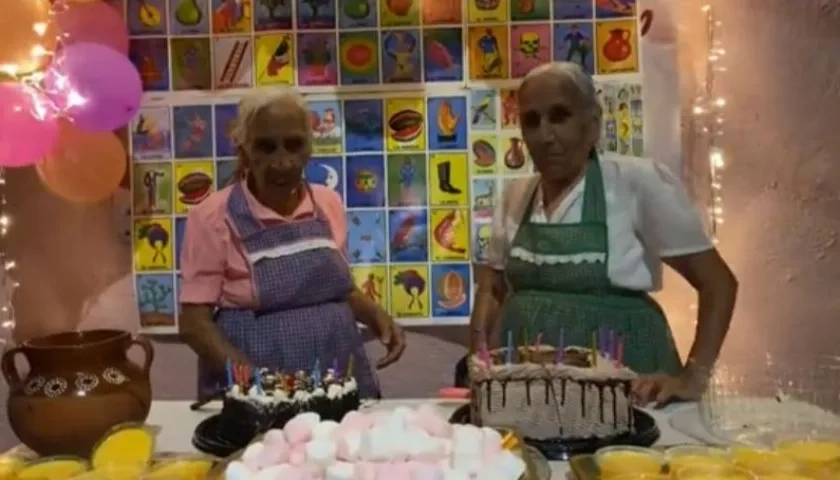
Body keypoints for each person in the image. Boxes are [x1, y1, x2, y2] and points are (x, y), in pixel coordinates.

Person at [470, 62, 738, 407]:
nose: (545, 135)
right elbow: (492, 287)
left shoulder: (636, 182)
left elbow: (718, 283)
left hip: (625, 384)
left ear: (592, 124)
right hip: (528, 389)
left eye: (560, 116)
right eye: (531, 121)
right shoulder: (517, 195)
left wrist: (693, 378)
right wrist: (477, 361)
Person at [178, 89, 406, 399]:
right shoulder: (213, 217)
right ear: (244, 150)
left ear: (310, 148)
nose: (283, 161)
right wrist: (255, 384)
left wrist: (378, 317)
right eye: (266, 147)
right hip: (254, 380)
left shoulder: (328, 204)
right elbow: (194, 324)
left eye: (294, 145)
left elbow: (336, 290)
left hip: (335, 369)